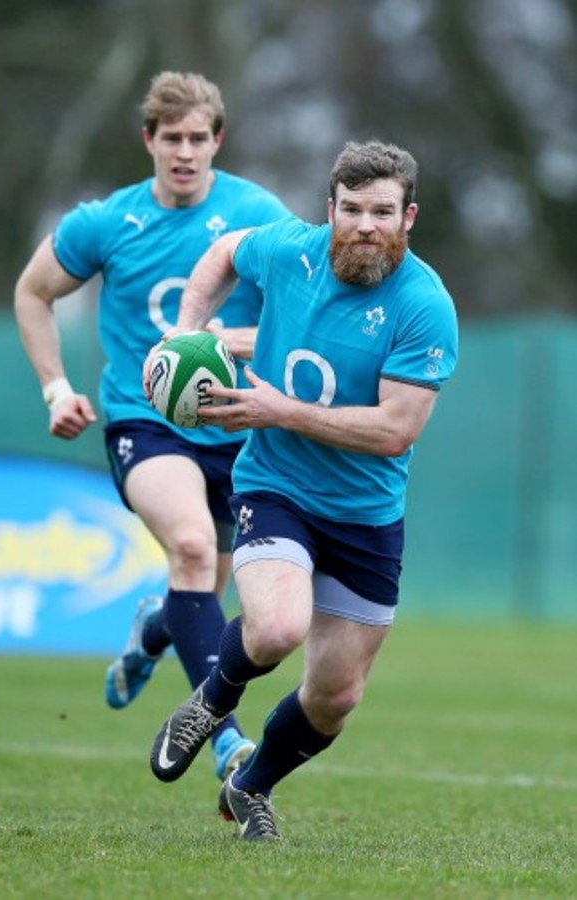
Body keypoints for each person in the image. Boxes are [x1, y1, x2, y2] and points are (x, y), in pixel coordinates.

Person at [145, 140, 459, 840]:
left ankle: (250, 786)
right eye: (352, 210)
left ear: (409, 216)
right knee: (278, 627)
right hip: (277, 485)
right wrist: (186, 332)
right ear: (330, 210)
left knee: (336, 695)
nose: (365, 226)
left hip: (366, 515)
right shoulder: (292, 250)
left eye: (382, 212)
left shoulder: (424, 306)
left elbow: (394, 431)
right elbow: (224, 252)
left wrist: (278, 410)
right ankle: (210, 701)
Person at [14, 71, 291, 781]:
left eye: (200, 138)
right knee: (194, 549)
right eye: (173, 138)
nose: (187, 151)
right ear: (149, 141)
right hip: (146, 420)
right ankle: (226, 740)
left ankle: (153, 630)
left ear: (218, 142)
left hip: (237, 427)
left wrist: (232, 344)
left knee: (206, 593)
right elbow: (33, 292)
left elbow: (301, 318)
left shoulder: (258, 215)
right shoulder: (107, 222)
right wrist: (55, 388)